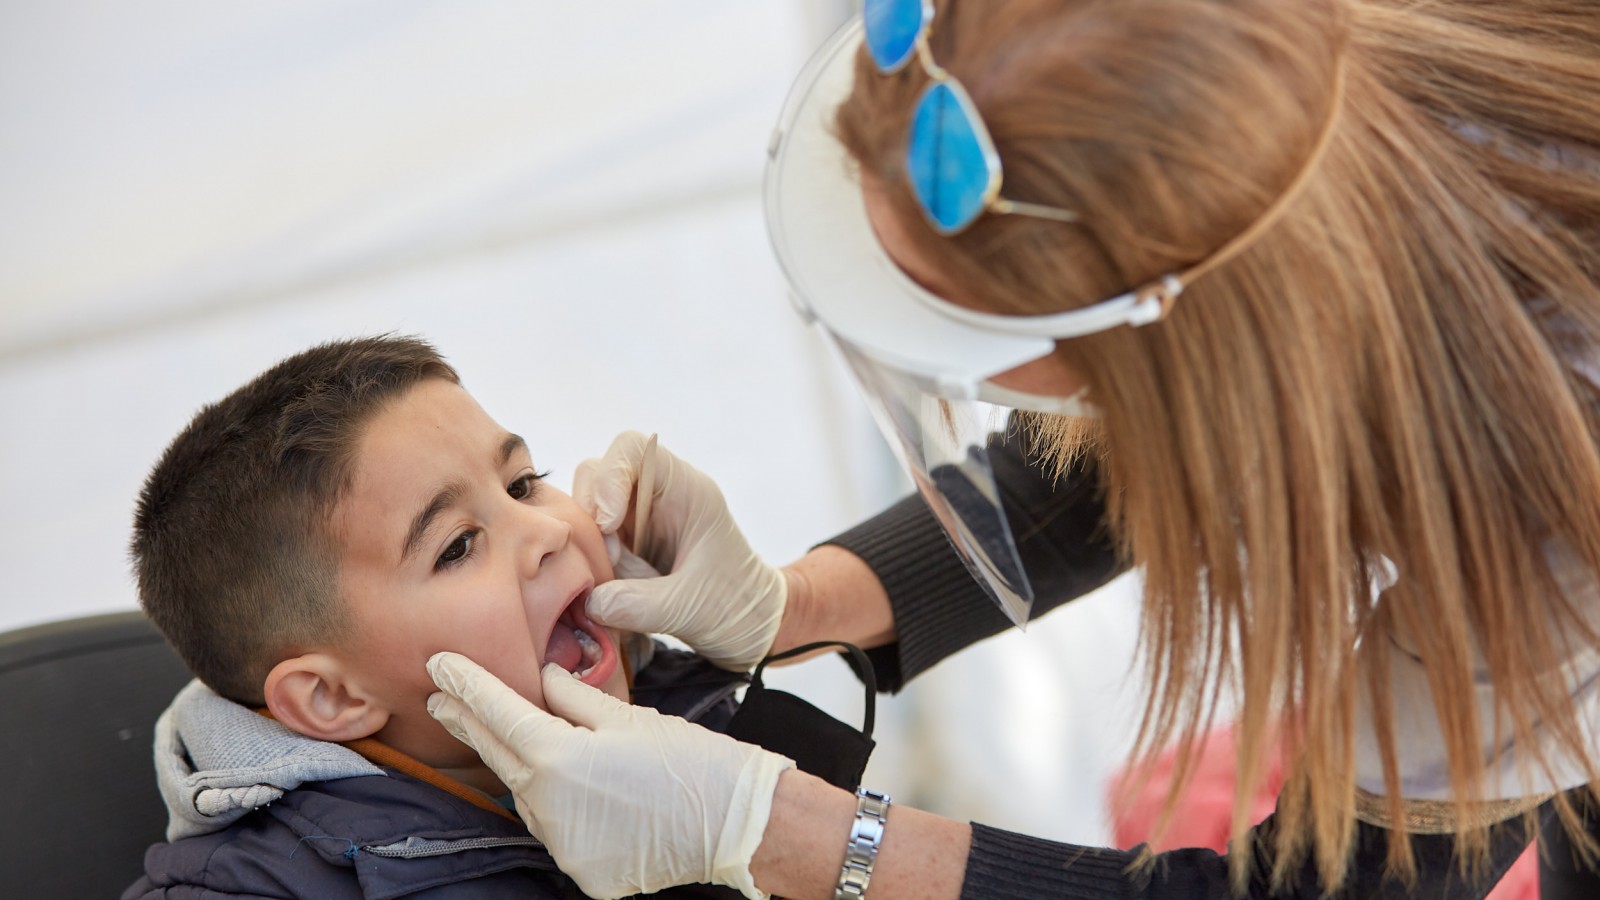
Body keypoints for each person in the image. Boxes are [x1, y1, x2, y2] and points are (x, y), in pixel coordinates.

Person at [424, 0, 1600, 898]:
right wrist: (792, 604)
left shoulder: (1549, 527)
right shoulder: (1265, 111)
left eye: (974, 329)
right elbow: (1151, 432)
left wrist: (780, 831)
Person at [121, 336, 801, 899]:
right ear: (333, 697)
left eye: (523, 482)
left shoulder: (702, 733)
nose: (546, 532)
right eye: (456, 546)